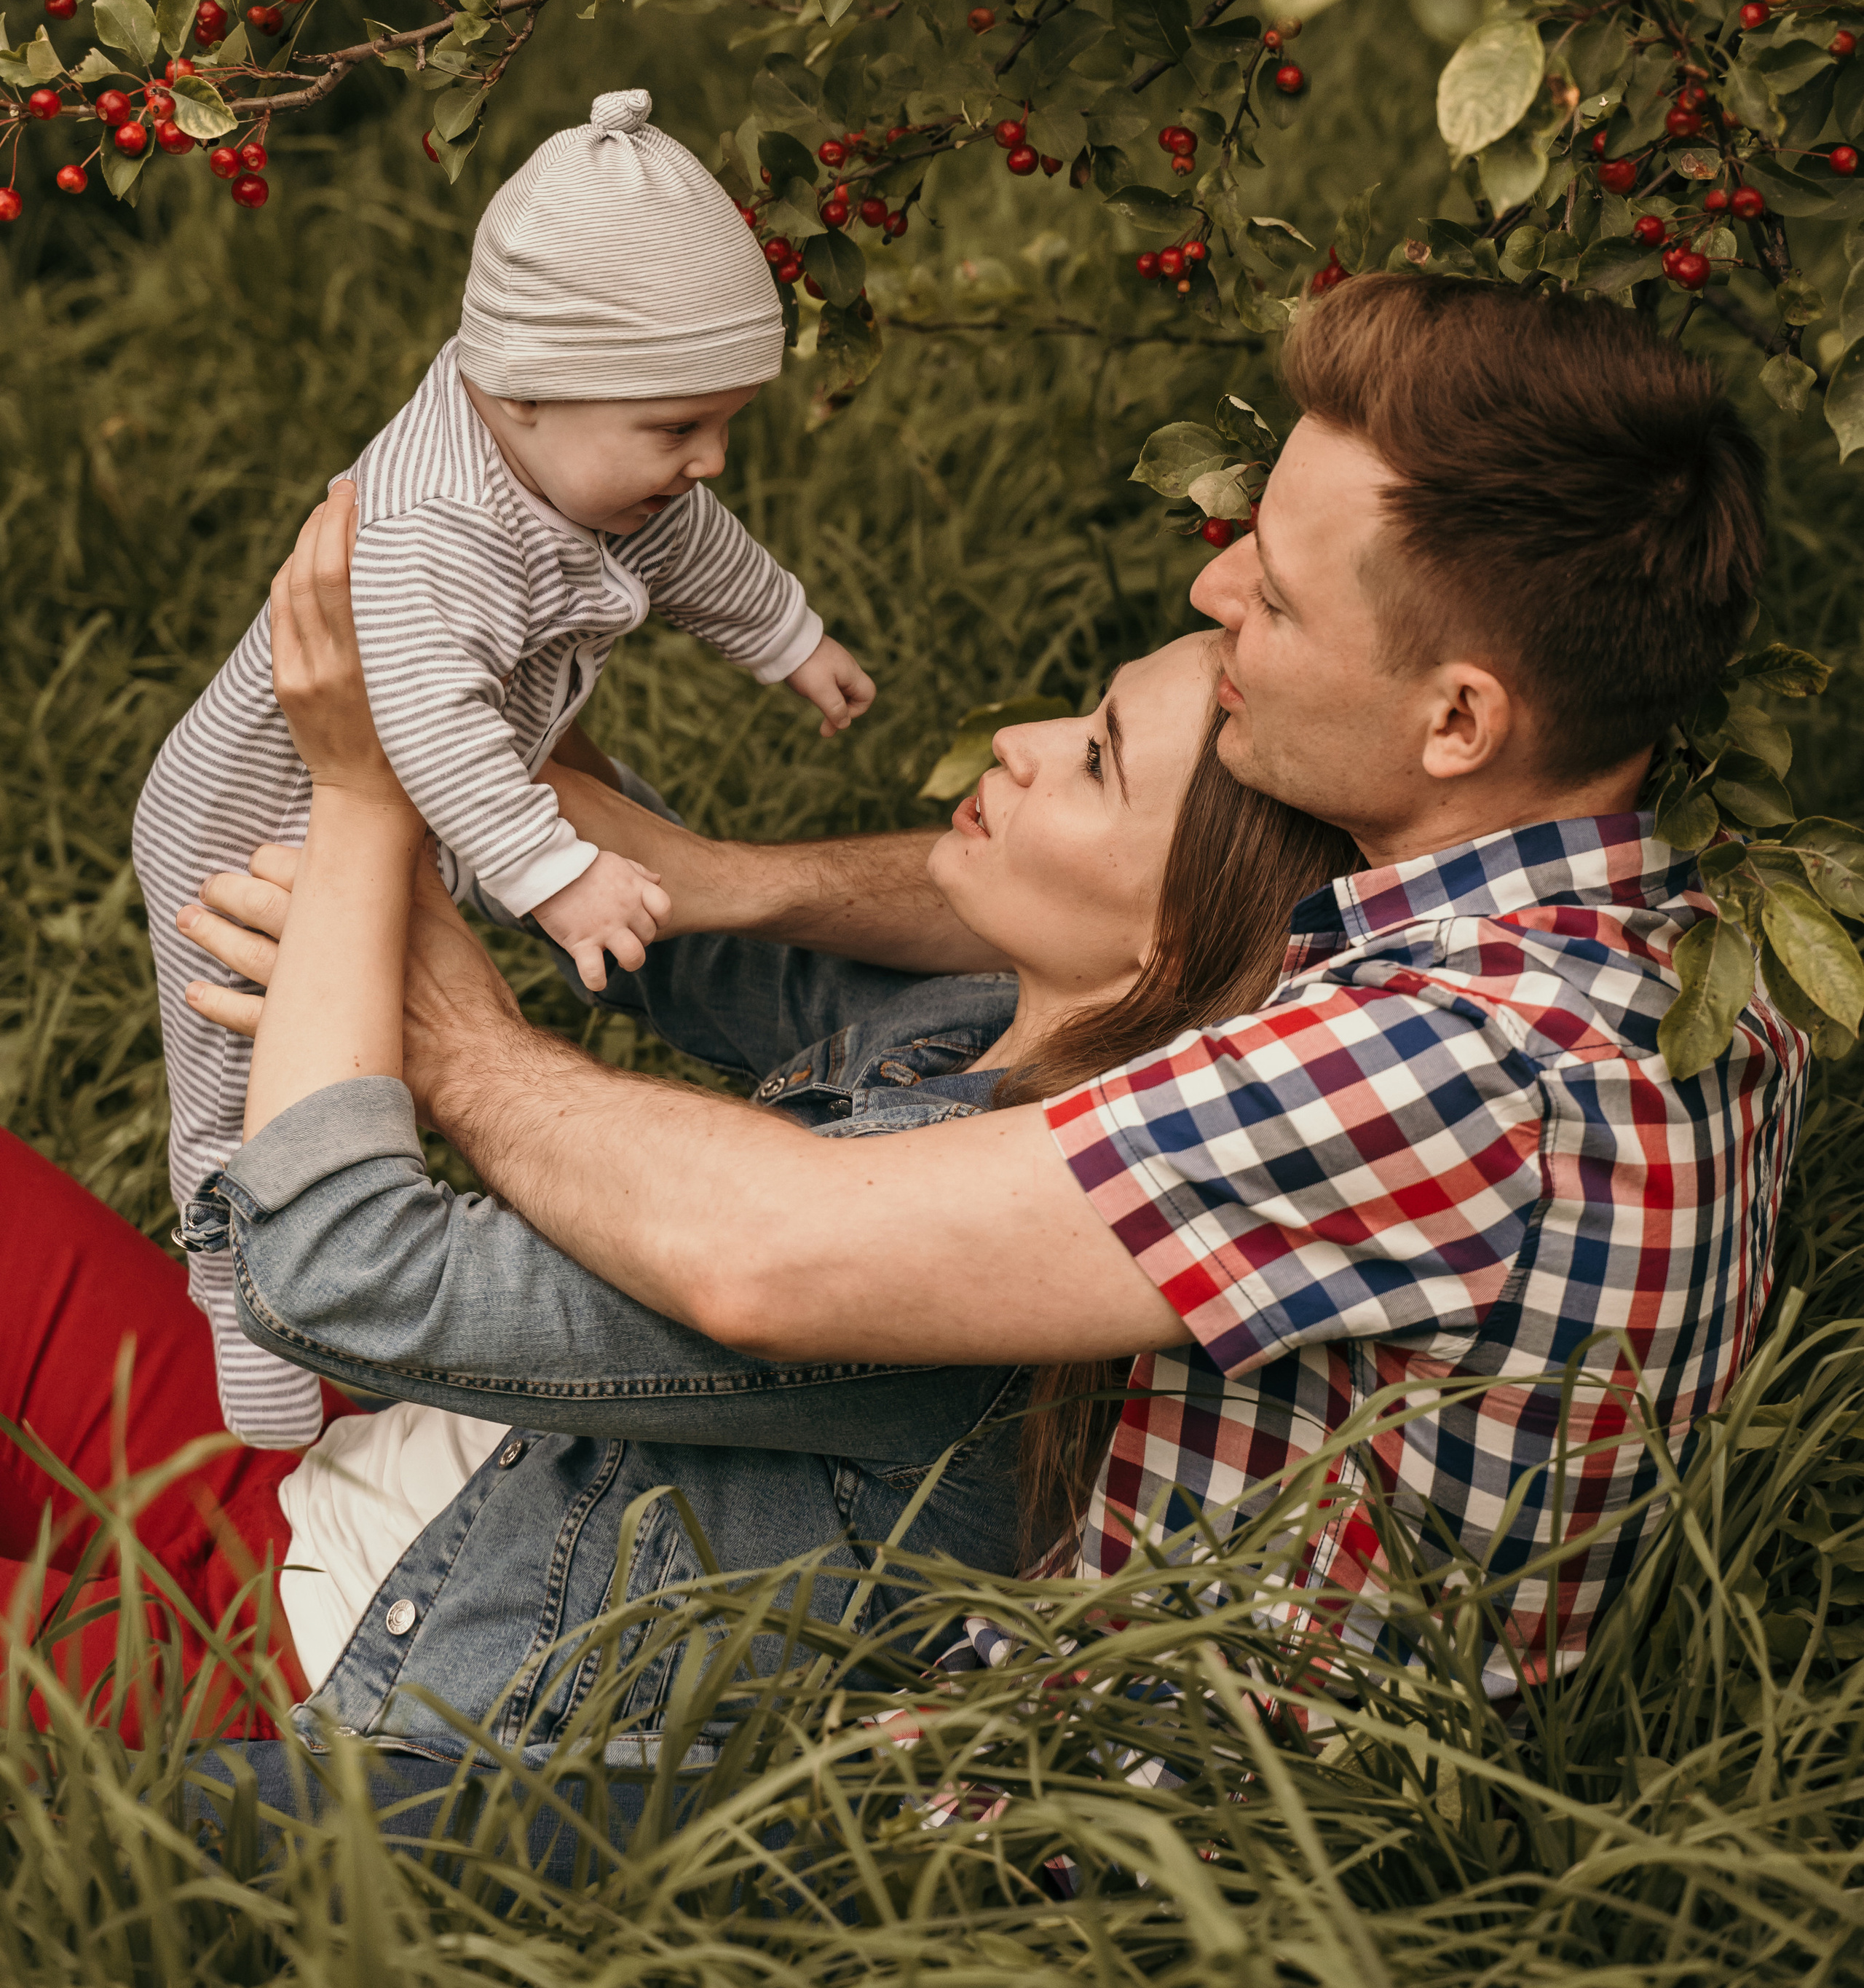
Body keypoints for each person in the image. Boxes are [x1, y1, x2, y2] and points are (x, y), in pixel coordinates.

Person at [184, 271, 1808, 1721]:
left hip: (1086, 1855)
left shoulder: (1458, 1062)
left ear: (1455, 721)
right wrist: (719, 866)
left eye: (1281, 595)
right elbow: (1106, 919)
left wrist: (456, 1039)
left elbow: (763, 1260)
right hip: (460, 1535)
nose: (1211, 589)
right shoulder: (1657, 936)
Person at [5, 591, 1346, 1813]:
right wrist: (499, 603)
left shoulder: (988, 1259)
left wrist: (365, 819)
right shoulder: (988, 1021)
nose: (1023, 738)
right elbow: (656, 936)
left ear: (1175, 942)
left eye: (1097, 760)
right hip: (309, 1477)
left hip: (321, 1668)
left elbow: (346, 1268)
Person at [131, 88, 874, 1448]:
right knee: (243, 1066)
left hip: (420, 784)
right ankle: (240, 1305)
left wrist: (788, 636)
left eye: (721, 423)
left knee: (383, 1016)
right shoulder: (433, 532)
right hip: (246, 821)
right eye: (675, 433)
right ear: (520, 390)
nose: (707, 461)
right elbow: (423, 728)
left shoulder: (582, 456)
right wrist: (555, 876)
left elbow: (687, 546)